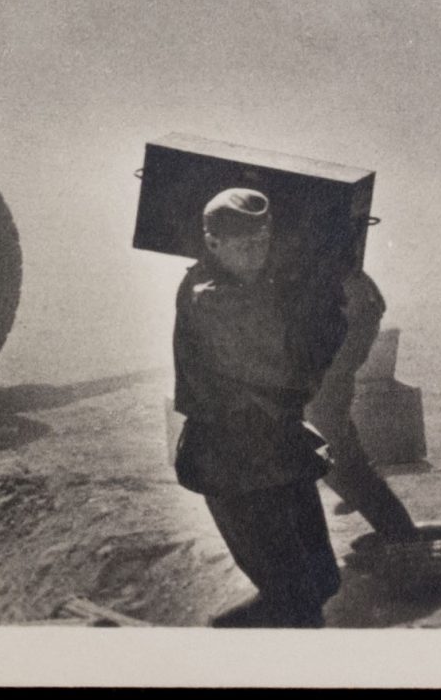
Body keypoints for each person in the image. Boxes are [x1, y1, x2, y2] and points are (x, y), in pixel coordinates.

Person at [171, 187, 348, 627]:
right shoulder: (211, 298)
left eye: (263, 242)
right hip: (231, 464)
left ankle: (226, 633)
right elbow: (289, 375)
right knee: (298, 605)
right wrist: (327, 314)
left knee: (324, 581)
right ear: (212, 242)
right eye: (244, 245)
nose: (257, 254)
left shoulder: (255, 283)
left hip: (277, 449)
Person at [308, 268, 420, 541]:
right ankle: (366, 493)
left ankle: (400, 535)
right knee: (327, 423)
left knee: (323, 432)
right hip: (344, 307)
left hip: (344, 311)